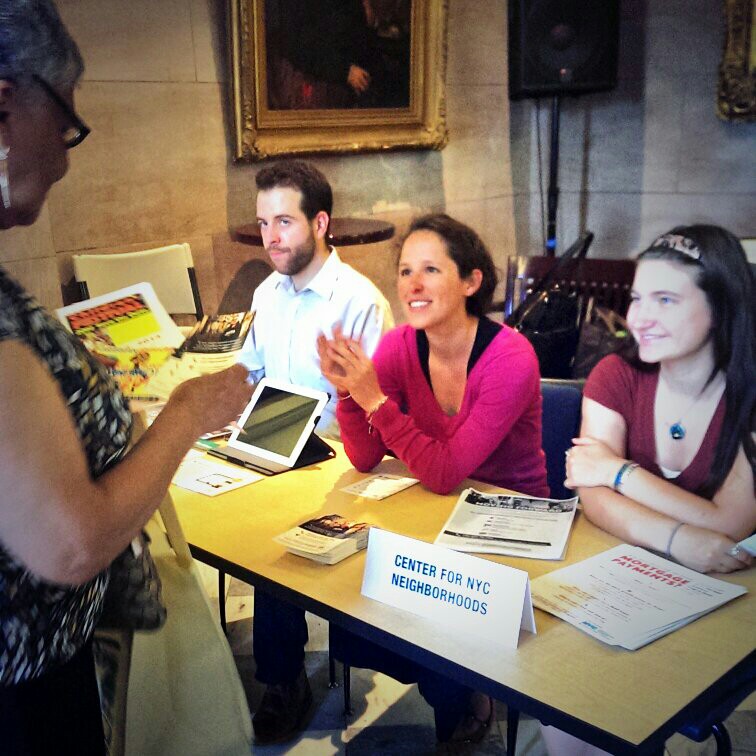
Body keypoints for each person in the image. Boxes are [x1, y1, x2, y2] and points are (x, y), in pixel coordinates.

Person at [0, 3, 253, 754]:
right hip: (25, 699)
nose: (69, 155)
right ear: (7, 104)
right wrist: (185, 413)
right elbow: (70, 544)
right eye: (68, 121)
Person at [318, 213, 549, 742]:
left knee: (429, 601)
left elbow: (444, 472)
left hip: (514, 522)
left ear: (471, 282)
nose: (412, 286)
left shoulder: (511, 357)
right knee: (351, 590)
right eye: (404, 272)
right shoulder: (402, 345)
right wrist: (348, 391)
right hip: (441, 511)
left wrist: (373, 396)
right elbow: (365, 458)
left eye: (429, 270)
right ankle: (455, 688)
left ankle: (465, 704)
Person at [547, 226, 756, 756]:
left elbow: (731, 523)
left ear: (722, 304)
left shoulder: (749, 389)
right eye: (638, 298)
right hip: (625, 573)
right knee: (560, 696)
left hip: (726, 596)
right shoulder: (616, 374)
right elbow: (590, 497)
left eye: (666, 299)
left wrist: (619, 472)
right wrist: (679, 538)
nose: (639, 317)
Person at [237, 159, 393, 743]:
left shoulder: (358, 301)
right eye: (263, 223)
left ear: (320, 222)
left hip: (338, 451)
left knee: (277, 529)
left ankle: (282, 681)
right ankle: (278, 668)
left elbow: (376, 405)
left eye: (284, 222)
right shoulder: (266, 291)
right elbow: (249, 371)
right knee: (224, 516)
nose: (271, 237)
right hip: (276, 440)